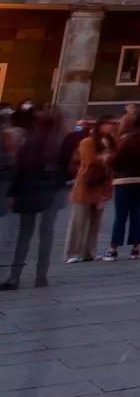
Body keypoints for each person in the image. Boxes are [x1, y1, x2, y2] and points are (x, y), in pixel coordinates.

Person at [2, 111, 63, 288]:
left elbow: (19, 171)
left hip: (29, 194)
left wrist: (12, 194)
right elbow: (64, 169)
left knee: (24, 234)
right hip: (50, 195)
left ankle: (15, 277)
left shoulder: (30, 143)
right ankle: (41, 275)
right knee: (46, 235)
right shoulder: (56, 144)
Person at [105, 109, 140, 260]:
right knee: (136, 212)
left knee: (120, 214)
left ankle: (113, 248)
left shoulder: (128, 138)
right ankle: (135, 248)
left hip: (124, 179)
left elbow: (116, 159)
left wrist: (108, 159)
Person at [64, 123, 112, 264]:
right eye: (109, 124)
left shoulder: (109, 142)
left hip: (101, 183)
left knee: (95, 221)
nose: (111, 127)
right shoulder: (87, 141)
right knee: (79, 220)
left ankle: (89, 251)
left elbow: (112, 161)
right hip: (86, 183)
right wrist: (103, 158)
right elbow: (88, 160)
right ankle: (73, 252)